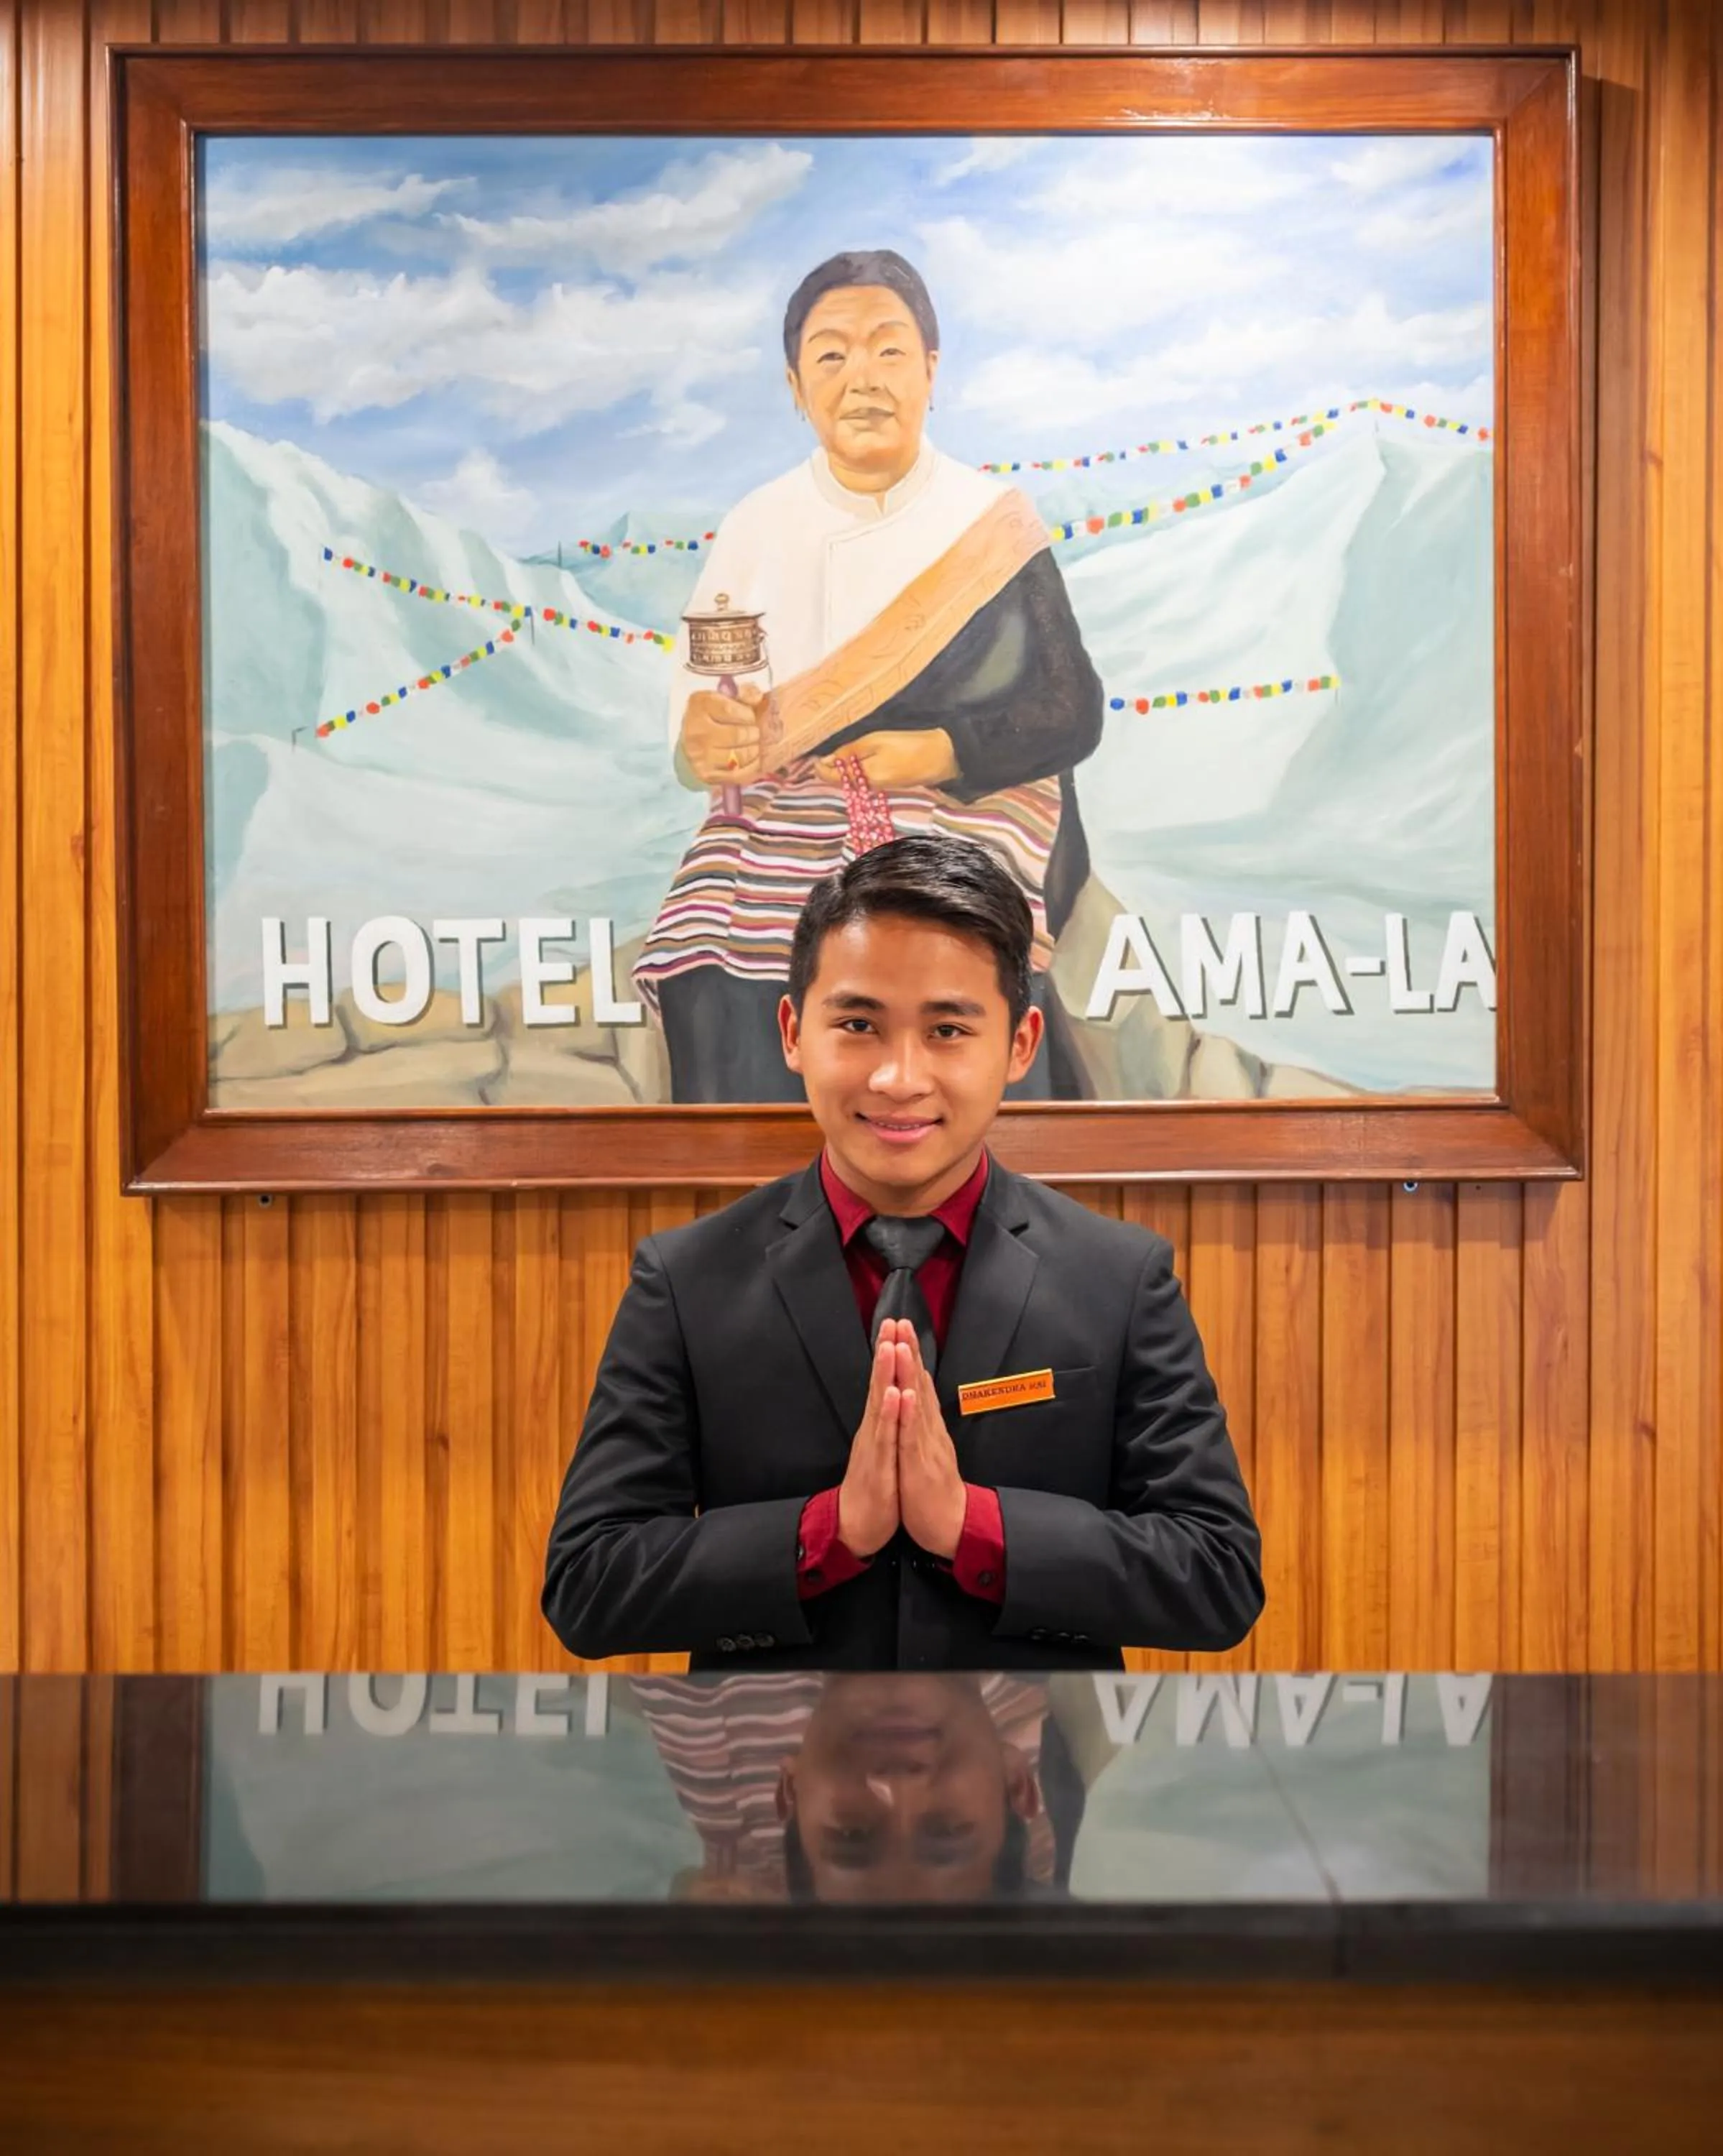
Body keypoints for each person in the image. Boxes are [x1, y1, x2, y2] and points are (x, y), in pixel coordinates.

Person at [543, 833, 1263, 1670]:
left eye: (949, 1030)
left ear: (1021, 1045)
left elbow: (1215, 1576)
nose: (898, 1077)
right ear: (792, 1032)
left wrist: (971, 1525)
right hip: (775, 1784)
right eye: (857, 1024)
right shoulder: (687, 1279)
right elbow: (590, 1586)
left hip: (1022, 1782)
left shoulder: (1118, 1278)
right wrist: (828, 1531)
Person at [633, 248, 1104, 1102]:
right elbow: (698, 717)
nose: (863, 379)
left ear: (930, 369)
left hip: (969, 796)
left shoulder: (990, 522)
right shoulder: (758, 523)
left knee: (942, 942)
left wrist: (935, 751)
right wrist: (706, 739)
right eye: (831, 356)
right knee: (711, 943)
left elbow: (1069, 711)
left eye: (888, 351)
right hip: (794, 801)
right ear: (794, 386)